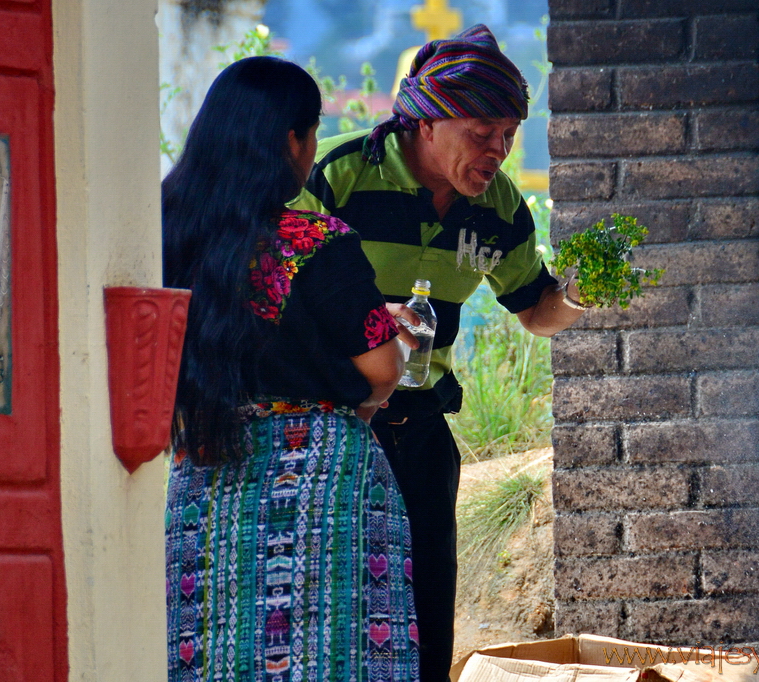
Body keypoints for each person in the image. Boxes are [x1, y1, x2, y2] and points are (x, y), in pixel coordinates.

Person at [288, 25, 587, 682]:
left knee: (424, 618)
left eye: (508, 135)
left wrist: (582, 293)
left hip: (421, 433)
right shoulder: (339, 178)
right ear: (425, 122)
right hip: (331, 430)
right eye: (480, 131)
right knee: (331, 609)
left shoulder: (498, 207)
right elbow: (279, 295)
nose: (497, 150)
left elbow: (536, 311)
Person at [162, 56, 421, 682]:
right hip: (323, 486)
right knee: (339, 656)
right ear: (290, 140)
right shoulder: (317, 242)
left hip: (204, 476)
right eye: (311, 135)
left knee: (217, 653)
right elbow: (383, 367)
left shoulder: (166, 235)